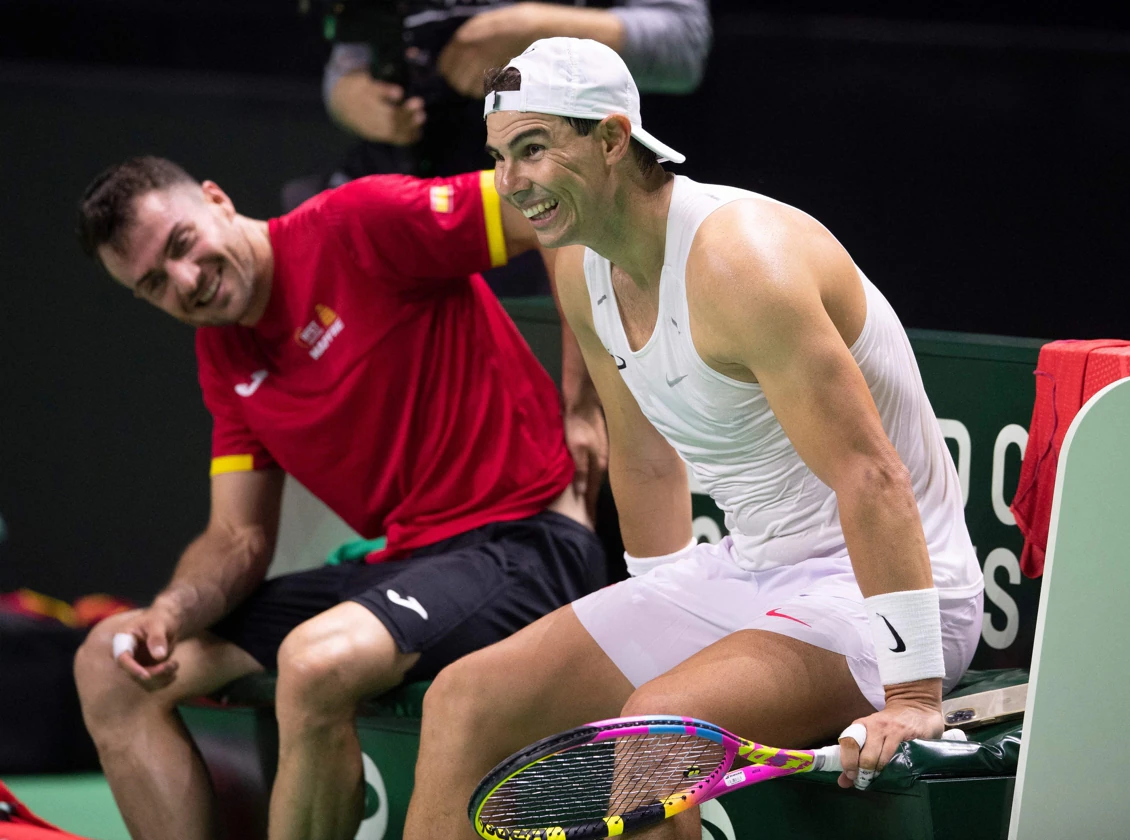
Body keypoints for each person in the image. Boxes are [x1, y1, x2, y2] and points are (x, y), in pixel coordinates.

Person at [402, 38, 985, 839]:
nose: (512, 183)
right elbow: (640, 455)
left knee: (658, 723)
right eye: (501, 156)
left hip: (885, 591)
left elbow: (870, 476)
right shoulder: (577, 259)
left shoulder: (740, 262)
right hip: (749, 570)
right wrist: (659, 605)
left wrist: (914, 694)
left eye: (534, 149)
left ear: (612, 139)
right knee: (463, 698)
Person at [71, 156, 607, 840]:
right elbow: (238, 538)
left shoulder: (358, 223)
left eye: (181, 244)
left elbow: (555, 206)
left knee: (315, 661)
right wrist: (172, 611)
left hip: (527, 538)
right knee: (107, 662)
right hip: (411, 561)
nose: (184, 281)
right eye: (153, 283)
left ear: (217, 198)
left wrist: (586, 399)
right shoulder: (224, 355)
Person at [296, 0, 711, 298]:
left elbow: (683, 47)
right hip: (410, 211)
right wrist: (346, 94)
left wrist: (535, 30)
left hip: (560, 229)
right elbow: (351, 49)